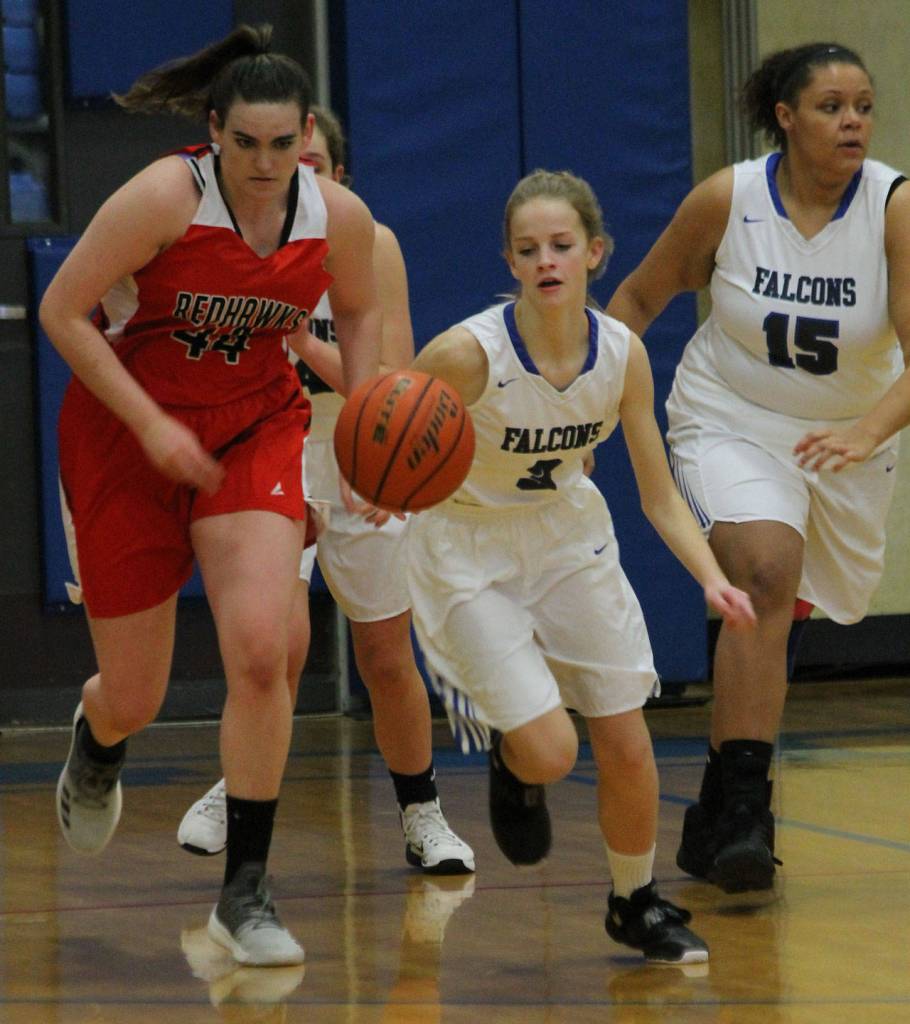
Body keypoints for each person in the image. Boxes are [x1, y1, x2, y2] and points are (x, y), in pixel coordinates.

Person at [40, 25, 382, 966]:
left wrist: (366, 432)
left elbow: (357, 311)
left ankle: (246, 892)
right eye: (245, 144)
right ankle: (99, 736)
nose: (265, 164)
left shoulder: (336, 218)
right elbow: (62, 311)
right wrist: (151, 423)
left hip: (251, 428)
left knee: (263, 652)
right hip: (126, 438)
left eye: (283, 144)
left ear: (306, 134)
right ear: (213, 130)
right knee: (136, 695)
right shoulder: (164, 197)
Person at [406, 169, 757, 964]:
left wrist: (713, 578)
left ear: (595, 252)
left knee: (626, 737)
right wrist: (379, 494)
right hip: (467, 547)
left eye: (561, 245)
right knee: (553, 751)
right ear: (510, 261)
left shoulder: (622, 356)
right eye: (528, 249)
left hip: (568, 537)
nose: (546, 260)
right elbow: (387, 438)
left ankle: (634, 902)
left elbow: (660, 496)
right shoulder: (464, 355)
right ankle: (514, 757)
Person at [606, 42, 910, 895]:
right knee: (765, 573)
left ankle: (715, 804)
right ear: (786, 117)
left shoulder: (893, 207)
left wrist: (866, 433)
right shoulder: (728, 199)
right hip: (729, 418)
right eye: (830, 106)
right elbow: (636, 300)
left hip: (847, 438)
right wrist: (586, 402)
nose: (852, 121)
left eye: (863, 106)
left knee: (787, 612)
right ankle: (746, 810)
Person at [177, 106, 474, 876]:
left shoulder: (372, 244)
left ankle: (422, 813)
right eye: (281, 158)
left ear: (338, 178)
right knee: (272, 644)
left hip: (361, 448)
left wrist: (304, 341)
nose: (291, 173)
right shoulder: (233, 242)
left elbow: (392, 379)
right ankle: (236, 787)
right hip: (267, 450)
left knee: (385, 654)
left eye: (310, 163)